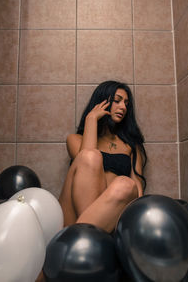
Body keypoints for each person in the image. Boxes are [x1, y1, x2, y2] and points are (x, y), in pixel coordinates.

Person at [59, 80, 147, 233]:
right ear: (102, 102)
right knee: (90, 157)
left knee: (126, 184)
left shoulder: (131, 146)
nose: (123, 107)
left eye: (126, 103)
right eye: (117, 101)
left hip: (111, 217)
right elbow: (86, 162)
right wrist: (91, 119)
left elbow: (137, 190)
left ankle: (79, 238)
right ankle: (86, 236)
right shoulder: (75, 139)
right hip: (73, 215)